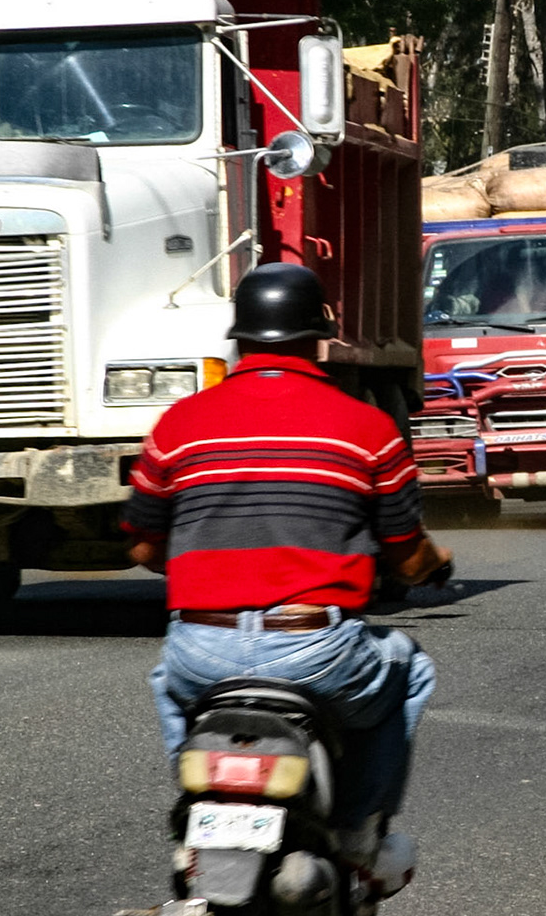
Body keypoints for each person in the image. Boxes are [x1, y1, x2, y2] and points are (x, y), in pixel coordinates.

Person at [123, 262, 450, 877]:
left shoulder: (178, 426)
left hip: (203, 649)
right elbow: (407, 560)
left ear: (239, 338)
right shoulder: (369, 430)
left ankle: (198, 823)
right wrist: (432, 564)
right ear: (319, 336)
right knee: (411, 670)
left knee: (169, 678)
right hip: (314, 648)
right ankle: (357, 831)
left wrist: (213, 575)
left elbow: (142, 547)